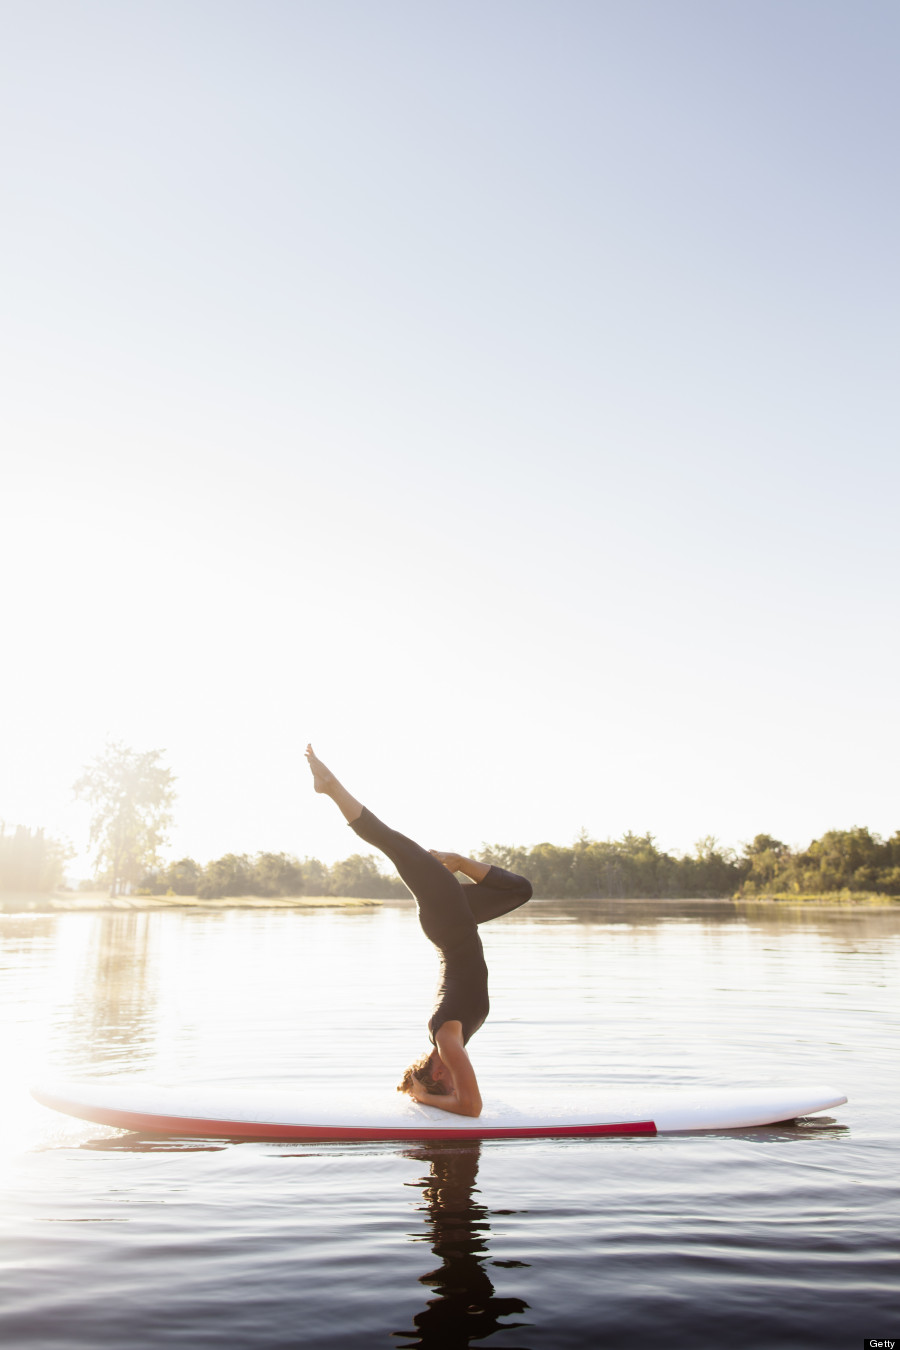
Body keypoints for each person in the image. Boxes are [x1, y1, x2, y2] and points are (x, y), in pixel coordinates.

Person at [305, 745, 533, 1118]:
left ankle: (329, 786)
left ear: (435, 1072)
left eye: (445, 1083)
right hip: (456, 924)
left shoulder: (445, 1038)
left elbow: (471, 1108)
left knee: (394, 844)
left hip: (448, 924)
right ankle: (459, 860)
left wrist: (419, 1096)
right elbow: (469, 1102)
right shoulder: (454, 1040)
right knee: (520, 890)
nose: (456, 1082)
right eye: (451, 1087)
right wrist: (430, 1094)